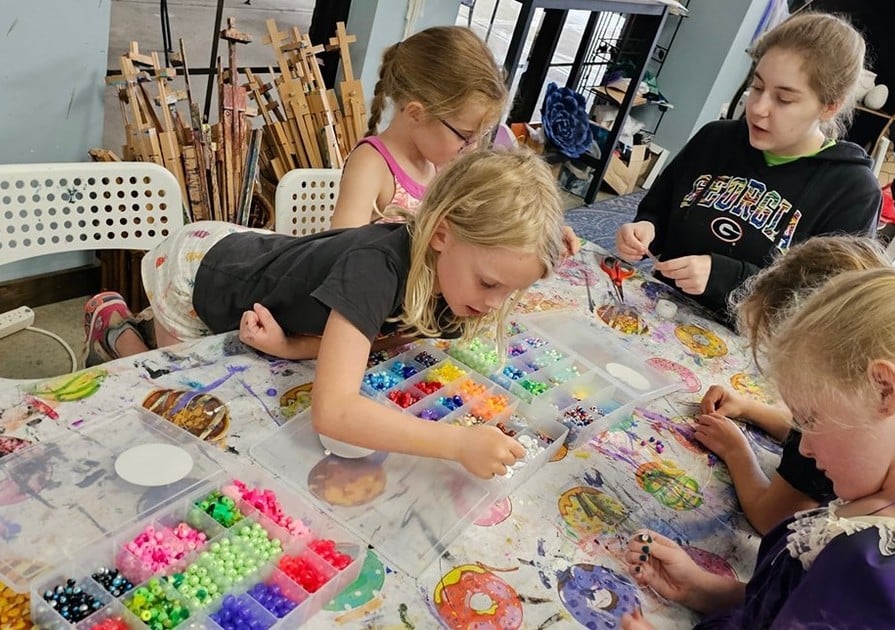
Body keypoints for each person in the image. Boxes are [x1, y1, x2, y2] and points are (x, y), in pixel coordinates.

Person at [81, 149, 567, 479]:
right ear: (442, 234)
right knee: (169, 395)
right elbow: (332, 413)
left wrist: (290, 346)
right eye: (490, 283)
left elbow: (377, 335)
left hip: (270, 279)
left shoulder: (455, 284)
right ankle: (115, 328)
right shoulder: (376, 268)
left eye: (512, 291)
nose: (494, 304)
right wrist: (456, 445)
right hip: (202, 272)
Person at [623, 267, 895, 629]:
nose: (805, 449)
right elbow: (790, 599)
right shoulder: (873, 494)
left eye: (812, 421)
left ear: (883, 390)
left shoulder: (872, 575)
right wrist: (704, 590)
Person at [615, 13, 881, 322]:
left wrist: (726, 277)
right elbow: (656, 211)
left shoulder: (852, 191)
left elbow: (821, 308)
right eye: (757, 87)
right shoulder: (714, 138)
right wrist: (645, 230)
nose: (757, 108)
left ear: (830, 105)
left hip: (749, 348)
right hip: (655, 313)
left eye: (783, 99)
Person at [694, 236, 891, 534]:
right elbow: (801, 430)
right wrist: (750, 408)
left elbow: (771, 518)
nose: (806, 444)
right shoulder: (854, 414)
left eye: (810, 416)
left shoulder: (846, 443)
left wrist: (736, 451)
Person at [329, 26, 507, 228]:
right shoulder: (371, 166)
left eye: (480, 135)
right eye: (464, 136)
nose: (472, 148)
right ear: (416, 114)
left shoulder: (439, 164)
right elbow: (341, 252)